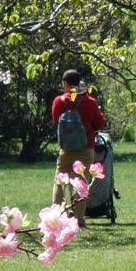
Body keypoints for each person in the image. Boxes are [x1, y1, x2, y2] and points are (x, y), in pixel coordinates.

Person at [50, 69, 107, 217]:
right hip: (86, 147)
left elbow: (56, 120)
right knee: (81, 183)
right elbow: (99, 124)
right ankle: (78, 219)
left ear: (65, 83)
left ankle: (58, 216)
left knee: (60, 181)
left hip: (66, 148)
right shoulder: (90, 102)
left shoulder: (59, 101)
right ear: (79, 83)